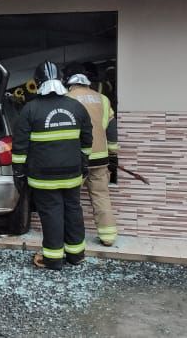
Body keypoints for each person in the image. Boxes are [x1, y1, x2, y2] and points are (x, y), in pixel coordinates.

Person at [11, 61, 92, 270]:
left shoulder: (30, 109)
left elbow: (20, 146)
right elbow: (87, 140)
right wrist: (83, 163)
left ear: (38, 82)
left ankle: (53, 259)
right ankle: (76, 255)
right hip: (72, 174)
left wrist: (18, 172)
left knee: (51, 212)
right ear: (61, 80)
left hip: (43, 177)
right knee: (73, 210)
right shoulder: (76, 107)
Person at [65, 65, 121, 246]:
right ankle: (108, 236)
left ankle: (72, 237)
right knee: (101, 197)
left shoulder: (67, 99)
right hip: (100, 158)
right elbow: (111, 128)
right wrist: (113, 152)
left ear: (70, 82)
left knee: (71, 200)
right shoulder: (103, 99)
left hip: (77, 159)